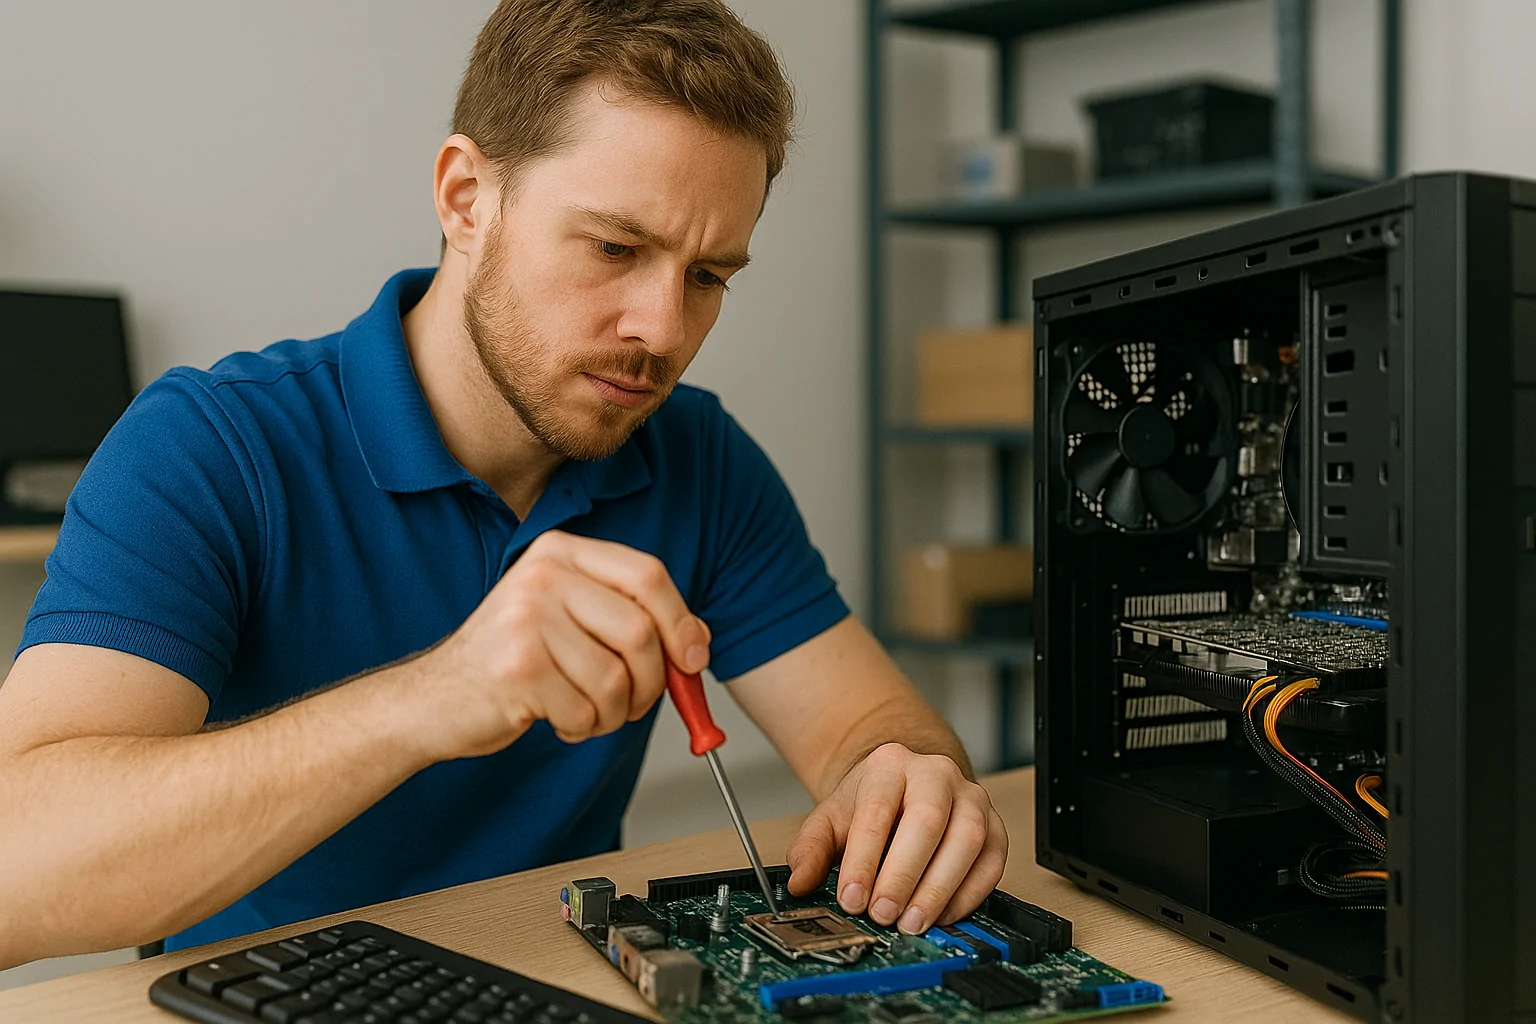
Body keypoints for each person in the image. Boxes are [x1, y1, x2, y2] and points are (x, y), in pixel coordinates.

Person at [0, 0, 1007, 967]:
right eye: (616, 248)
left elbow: (866, 727)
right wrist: (428, 697)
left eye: (708, 276)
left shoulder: (696, 455)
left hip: (566, 984)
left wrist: (907, 781)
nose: (663, 329)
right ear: (465, 199)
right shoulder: (211, 446)